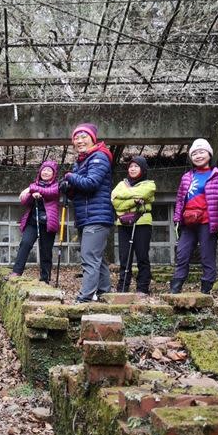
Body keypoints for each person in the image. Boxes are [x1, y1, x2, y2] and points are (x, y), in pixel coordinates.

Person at [61, 123, 115, 303]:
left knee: (89, 257)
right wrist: (68, 187)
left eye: (83, 136)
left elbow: (91, 183)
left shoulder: (99, 157)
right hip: (87, 217)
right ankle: (104, 293)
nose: (79, 140)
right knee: (97, 258)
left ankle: (84, 298)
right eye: (76, 138)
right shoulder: (82, 160)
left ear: (93, 138)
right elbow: (79, 189)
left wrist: (70, 177)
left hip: (97, 216)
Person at [170, 139, 218, 294]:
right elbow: (179, 200)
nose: (198, 156)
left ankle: (206, 291)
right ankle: (175, 289)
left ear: (209, 154)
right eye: (194, 153)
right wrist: (177, 219)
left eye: (201, 152)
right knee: (182, 255)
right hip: (188, 222)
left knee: (207, 257)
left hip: (207, 221)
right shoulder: (186, 177)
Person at [9, 161, 60, 283]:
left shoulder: (56, 186)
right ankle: (17, 271)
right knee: (25, 244)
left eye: (49, 170)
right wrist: (32, 195)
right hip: (33, 221)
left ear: (53, 174)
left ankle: (45, 278)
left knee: (45, 251)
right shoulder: (34, 186)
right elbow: (24, 202)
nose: (46, 172)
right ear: (40, 171)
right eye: (44, 170)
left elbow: (51, 193)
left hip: (48, 223)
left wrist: (32, 189)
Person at [111, 156, 156, 294]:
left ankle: (142, 288)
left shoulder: (149, 184)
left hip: (142, 222)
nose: (133, 169)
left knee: (142, 256)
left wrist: (123, 197)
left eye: (136, 166)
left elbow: (142, 194)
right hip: (124, 223)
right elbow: (115, 201)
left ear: (142, 169)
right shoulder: (121, 184)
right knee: (125, 256)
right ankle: (123, 287)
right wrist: (134, 201)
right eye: (131, 166)